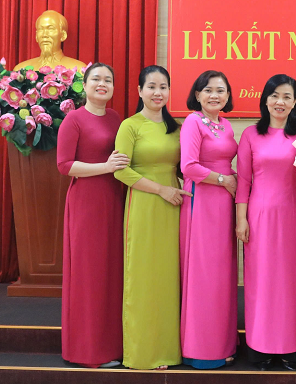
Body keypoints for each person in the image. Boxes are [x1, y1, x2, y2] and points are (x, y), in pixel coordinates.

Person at [235, 74, 296, 371]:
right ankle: (259, 347)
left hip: (294, 217)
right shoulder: (250, 134)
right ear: (265, 99)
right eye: (274, 96)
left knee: (292, 282)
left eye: (287, 96)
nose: (280, 102)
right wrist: (241, 219)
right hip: (259, 218)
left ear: (295, 101)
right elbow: (244, 181)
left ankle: (292, 348)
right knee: (260, 282)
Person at [113, 65, 189, 370]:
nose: (158, 93)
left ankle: (169, 349)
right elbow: (121, 171)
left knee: (170, 277)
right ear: (140, 91)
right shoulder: (130, 126)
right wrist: (160, 190)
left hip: (175, 206)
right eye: (152, 87)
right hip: (145, 204)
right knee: (144, 276)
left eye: (163, 87)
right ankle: (144, 351)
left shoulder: (177, 127)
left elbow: (186, 166)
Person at [56, 63, 127, 368]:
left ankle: (113, 346)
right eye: (96, 79)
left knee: (112, 273)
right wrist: (105, 167)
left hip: (114, 200)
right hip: (87, 203)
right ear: (84, 86)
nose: (102, 84)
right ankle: (87, 351)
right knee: (89, 275)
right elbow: (64, 165)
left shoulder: (115, 119)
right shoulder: (73, 120)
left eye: (108, 80)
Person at [179, 70, 238, 369]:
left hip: (224, 205)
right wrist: (224, 180)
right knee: (203, 275)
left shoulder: (225, 124)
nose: (215, 95)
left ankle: (222, 343)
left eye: (221, 90)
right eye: (208, 90)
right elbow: (188, 167)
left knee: (222, 274)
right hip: (201, 202)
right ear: (198, 94)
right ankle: (200, 349)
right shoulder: (192, 122)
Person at [14, 10, 86, 71]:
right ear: (36, 36)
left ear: (63, 35)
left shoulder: (79, 69)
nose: (44, 35)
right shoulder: (21, 70)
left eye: (50, 29)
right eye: (40, 29)